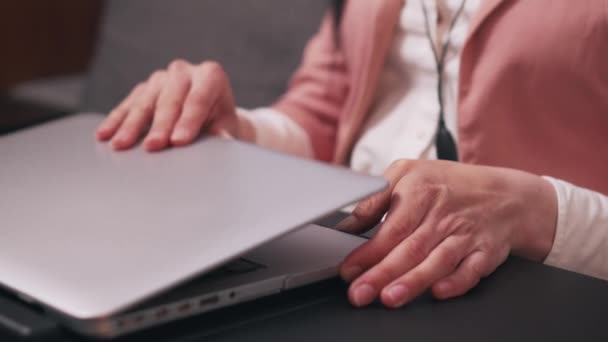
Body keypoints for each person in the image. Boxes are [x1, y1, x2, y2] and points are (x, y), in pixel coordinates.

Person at [95, 0, 608, 308]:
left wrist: (535, 211)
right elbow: (327, 106)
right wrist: (234, 135)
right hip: (341, 254)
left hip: (532, 283)